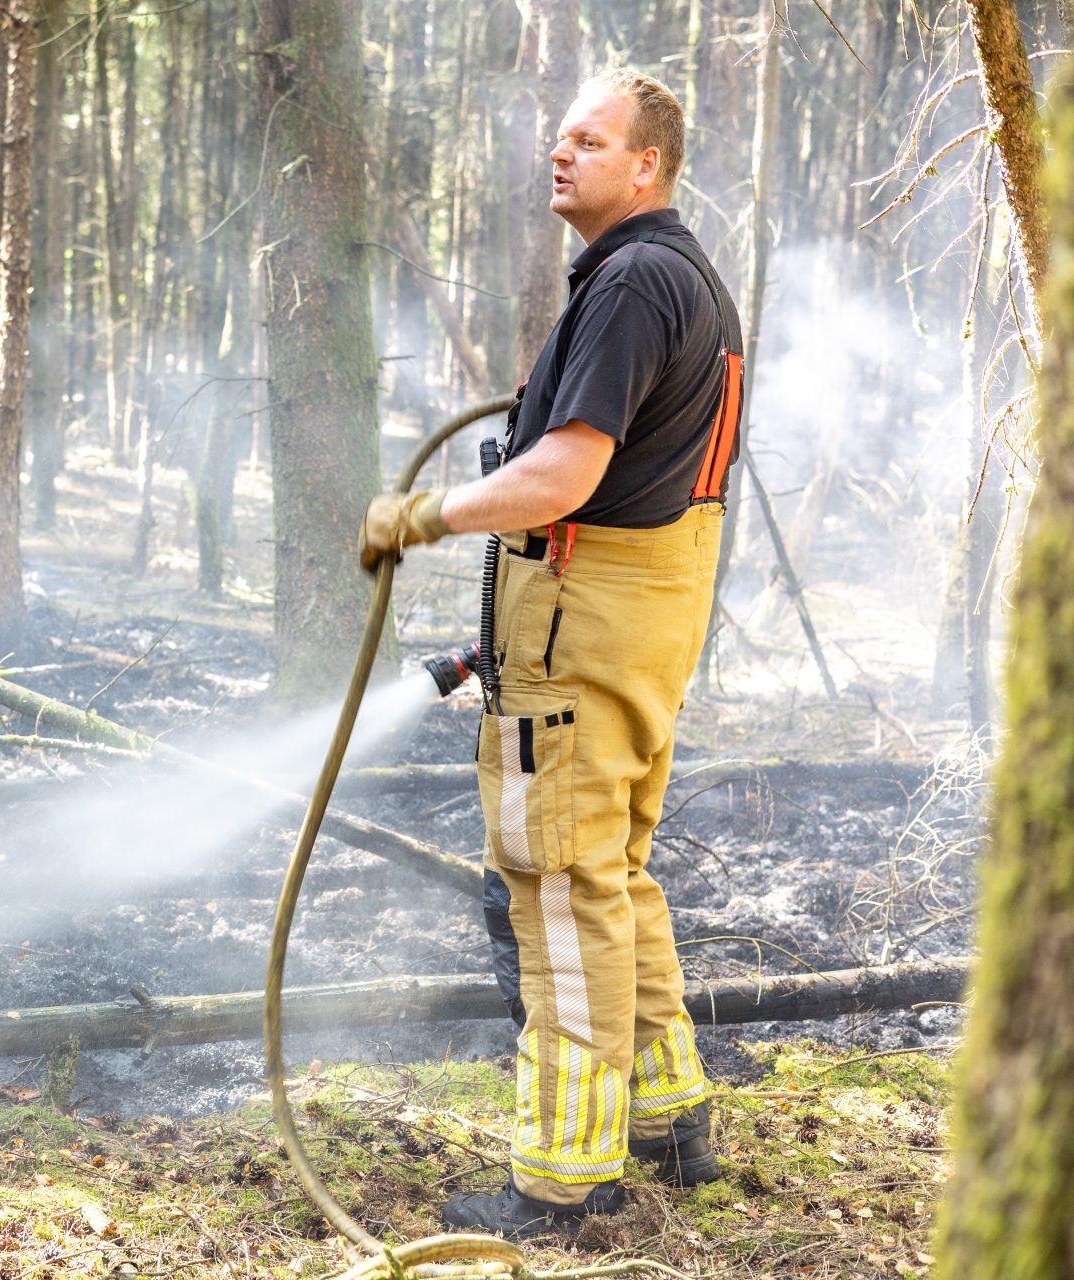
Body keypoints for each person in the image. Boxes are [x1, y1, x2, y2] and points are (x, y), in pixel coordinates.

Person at [360, 69, 743, 1239]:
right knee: (614, 874)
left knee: (563, 892)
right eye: (559, 136)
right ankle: (672, 1118)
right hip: (635, 625)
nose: (560, 153)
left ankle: (565, 1183)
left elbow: (568, 475)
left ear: (650, 165)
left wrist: (421, 514)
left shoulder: (632, 284)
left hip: (587, 633)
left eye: (590, 139)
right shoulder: (679, 278)